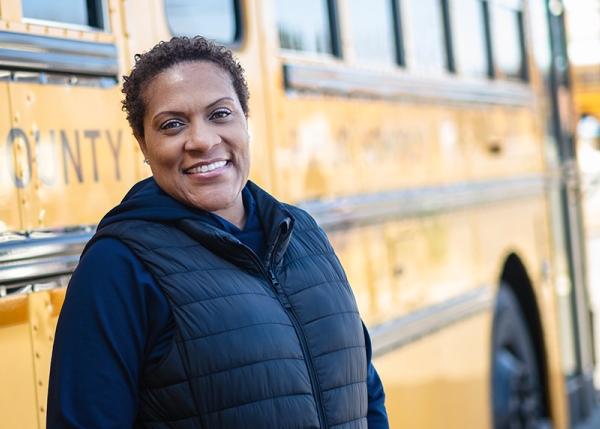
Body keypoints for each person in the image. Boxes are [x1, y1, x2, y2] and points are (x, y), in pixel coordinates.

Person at [47, 36, 389, 428]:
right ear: (143, 143)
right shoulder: (118, 266)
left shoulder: (304, 236)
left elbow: (364, 393)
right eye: (172, 124)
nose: (203, 141)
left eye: (220, 114)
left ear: (246, 119)